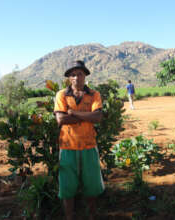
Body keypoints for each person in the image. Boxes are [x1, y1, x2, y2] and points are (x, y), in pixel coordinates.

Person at [54, 60, 104, 220]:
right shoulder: (61, 95)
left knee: (92, 186)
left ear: (85, 76)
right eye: (73, 74)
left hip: (89, 146)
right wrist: (86, 116)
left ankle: (92, 216)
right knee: (67, 187)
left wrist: (74, 113)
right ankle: (70, 217)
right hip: (67, 147)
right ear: (69, 78)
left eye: (80, 74)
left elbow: (97, 117)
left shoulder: (94, 94)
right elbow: (61, 119)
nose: (76, 77)